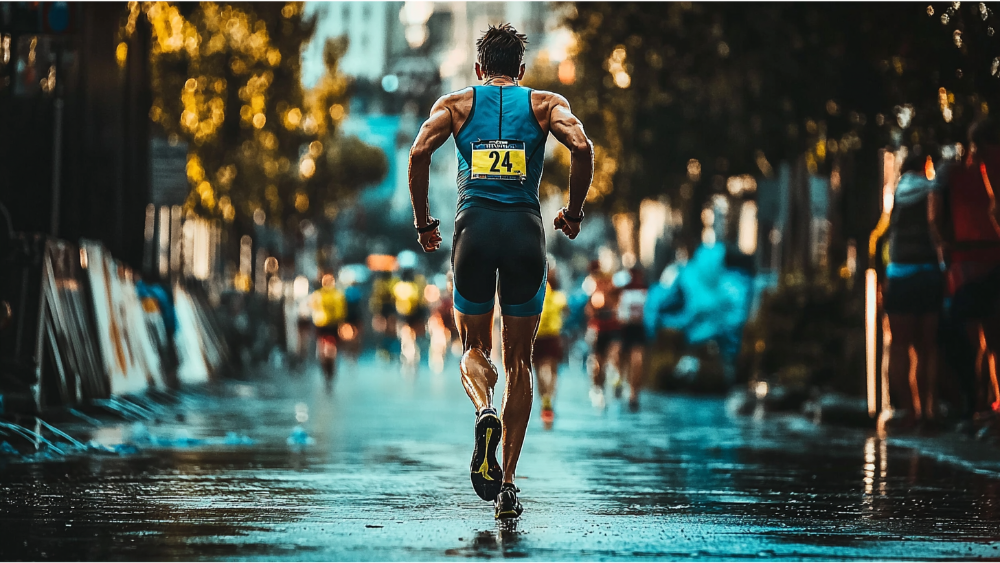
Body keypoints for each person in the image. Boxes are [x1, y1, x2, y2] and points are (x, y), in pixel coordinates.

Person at [407, 23, 593, 520]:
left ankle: (483, 410)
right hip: (524, 232)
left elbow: (419, 151)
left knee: (473, 349)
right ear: (522, 70)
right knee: (520, 364)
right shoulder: (545, 104)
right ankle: (508, 482)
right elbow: (582, 147)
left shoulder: (457, 104)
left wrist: (425, 222)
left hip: (473, 231)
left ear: (478, 68)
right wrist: (573, 212)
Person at [932, 119, 1000, 415]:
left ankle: (984, 406)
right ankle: (989, 406)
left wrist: (945, 248)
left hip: (973, 266)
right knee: (991, 341)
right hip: (986, 261)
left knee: (982, 342)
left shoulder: (967, 169)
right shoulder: (976, 168)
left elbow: (994, 209)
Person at [882, 148, 944, 426]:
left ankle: (908, 409)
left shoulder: (896, 193)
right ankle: (928, 409)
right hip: (929, 273)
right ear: (926, 165)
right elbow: (936, 226)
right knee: (927, 347)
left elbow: (884, 236)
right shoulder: (933, 189)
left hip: (899, 274)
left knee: (899, 345)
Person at [532, 261, 567, 426]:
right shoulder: (558, 296)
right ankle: (549, 397)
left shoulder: (534, 292)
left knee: (538, 370)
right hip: (553, 336)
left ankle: (544, 400)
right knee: (552, 370)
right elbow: (566, 310)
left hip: (536, 336)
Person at [583, 260, 622, 409]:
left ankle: (615, 377)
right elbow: (589, 309)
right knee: (598, 362)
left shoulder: (614, 284)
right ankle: (598, 389)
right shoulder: (590, 286)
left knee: (615, 354)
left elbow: (619, 300)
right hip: (598, 327)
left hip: (612, 326)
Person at [617, 266, 649, 411]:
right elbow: (620, 315)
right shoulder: (624, 292)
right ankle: (624, 384)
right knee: (625, 361)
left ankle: (634, 394)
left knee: (638, 362)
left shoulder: (646, 291)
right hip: (626, 330)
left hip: (639, 330)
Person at [309, 273, 347, 385]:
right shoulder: (338, 294)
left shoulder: (317, 295)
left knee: (323, 348)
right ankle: (330, 367)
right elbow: (342, 311)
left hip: (322, 325)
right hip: (331, 325)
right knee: (332, 348)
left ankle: (326, 366)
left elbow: (312, 308)